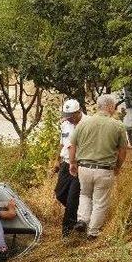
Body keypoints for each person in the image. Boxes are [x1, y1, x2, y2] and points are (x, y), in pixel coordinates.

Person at [69, 94, 128, 238]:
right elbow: (123, 150)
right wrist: (118, 166)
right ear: (110, 107)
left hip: (84, 168)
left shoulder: (83, 123)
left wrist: (72, 163)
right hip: (104, 170)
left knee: (85, 194)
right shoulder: (118, 125)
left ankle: (82, 219)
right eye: (114, 106)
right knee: (100, 201)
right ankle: (93, 232)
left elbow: (72, 146)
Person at [53, 99, 85, 236]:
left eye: (71, 115)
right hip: (66, 163)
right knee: (60, 194)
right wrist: (57, 160)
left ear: (78, 112)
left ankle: (67, 232)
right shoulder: (65, 124)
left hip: (80, 165)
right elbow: (62, 143)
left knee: (72, 198)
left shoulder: (87, 123)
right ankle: (80, 213)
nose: (68, 118)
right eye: (67, 115)